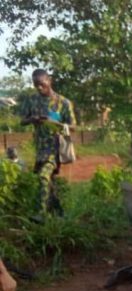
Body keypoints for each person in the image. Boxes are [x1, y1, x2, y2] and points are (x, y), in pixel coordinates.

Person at [19, 69, 76, 218]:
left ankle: (40, 214)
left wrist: (55, 123)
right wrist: (33, 119)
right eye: (35, 85)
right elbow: (22, 120)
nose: (39, 87)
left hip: (56, 148)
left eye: (41, 84)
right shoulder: (31, 100)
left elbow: (73, 127)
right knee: (48, 180)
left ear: (49, 81)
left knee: (44, 176)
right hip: (40, 146)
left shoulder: (63, 102)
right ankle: (60, 212)